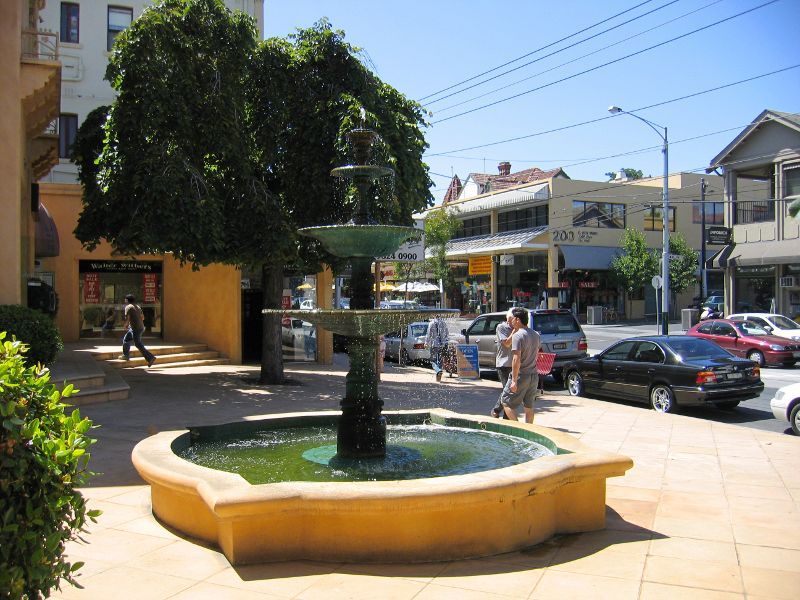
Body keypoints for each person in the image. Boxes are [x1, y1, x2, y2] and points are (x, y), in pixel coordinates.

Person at [499, 307, 540, 423]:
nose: (510, 322)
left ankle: (519, 428)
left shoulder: (518, 336)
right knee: (529, 406)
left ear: (517, 320)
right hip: (533, 375)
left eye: (512, 319)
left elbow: (516, 359)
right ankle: (529, 430)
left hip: (522, 375)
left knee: (506, 402)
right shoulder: (535, 334)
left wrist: (514, 380)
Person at [120, 294, 156, 367]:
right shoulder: (138, 307)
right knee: (126, 339)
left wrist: (125, 325)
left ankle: (150, 357)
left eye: (125, 299)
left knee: (138, 344)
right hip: (140, 327)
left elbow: (128, 318)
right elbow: (143, 318)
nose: (124, 300)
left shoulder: (128, 307)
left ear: (127, 300)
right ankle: (125, 355)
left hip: (136, 328)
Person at [491, 309, 515, 418]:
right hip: (503, 364)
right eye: (512, 319)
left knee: (511, 391)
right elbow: (506, 343)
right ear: (508, 319)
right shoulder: (501, 327)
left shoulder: (519, 329)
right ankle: (497, 410)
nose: (514, 321)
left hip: (515, 364)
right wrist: (515, 331)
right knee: (507, 390)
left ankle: (505, 415)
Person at [425, 315, 449, 382]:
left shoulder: (431, 323)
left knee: (433, 361)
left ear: (434, 315)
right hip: (442, 345)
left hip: (434, 344)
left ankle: (438, 370)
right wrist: (445, 342)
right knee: (440, 361)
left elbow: (428, 334)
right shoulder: (444, 323)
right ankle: (438, 379)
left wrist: (426, 343)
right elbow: (447, 333)